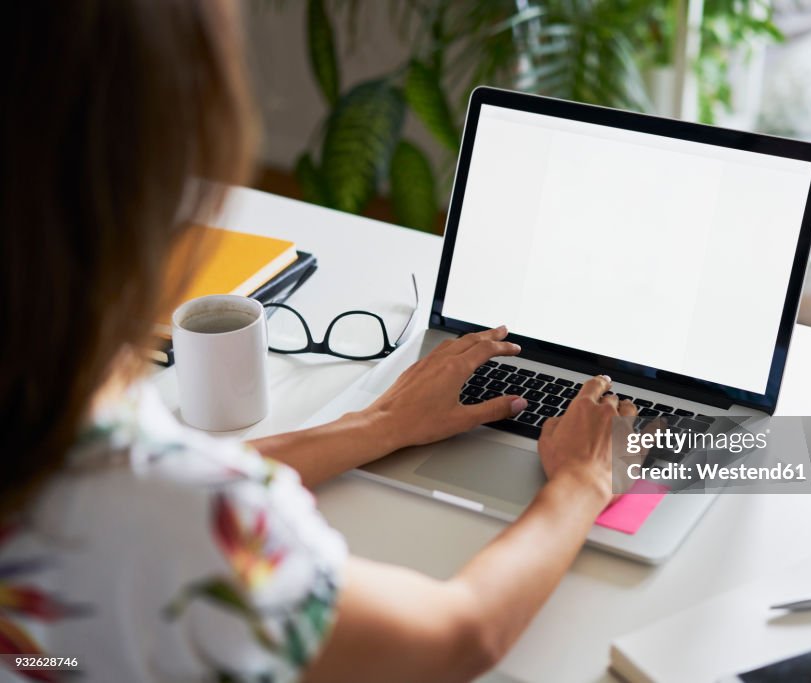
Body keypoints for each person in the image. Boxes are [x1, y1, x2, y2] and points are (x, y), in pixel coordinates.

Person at [0, 2, 637, 681]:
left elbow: (131, 479)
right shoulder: (192, 525)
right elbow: (459, 633)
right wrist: (580, 482)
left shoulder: (57, 438)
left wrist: (376, 423)